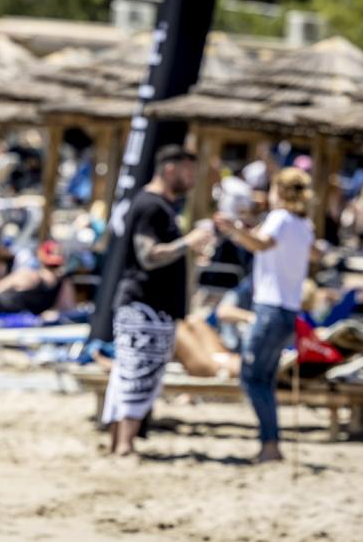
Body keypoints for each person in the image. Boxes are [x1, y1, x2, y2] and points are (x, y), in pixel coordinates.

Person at [103, 145, 214, 456]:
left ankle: (120, 443)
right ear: (169, 169)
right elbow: (148, 256)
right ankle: (124, 445)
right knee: (138, 373)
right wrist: (187, 242)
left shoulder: (158, 205)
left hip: (150, 305)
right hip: (144, 304)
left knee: (133, 372)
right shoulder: (151, 205)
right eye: (188, 171)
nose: (192, 178)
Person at [215, 167, 316, 462]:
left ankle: (270, 443)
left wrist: (233, 229)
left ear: (279, 192)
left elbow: (261, 244)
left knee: (253, 378)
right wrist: (242, 228)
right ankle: (270, 443)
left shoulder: (280, 218)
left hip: (270, 308)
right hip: (289, 312)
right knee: (265, 380)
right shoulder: (303, 224)